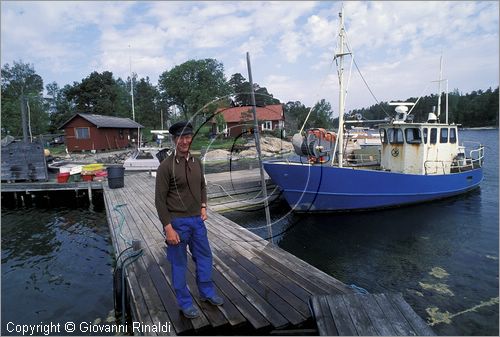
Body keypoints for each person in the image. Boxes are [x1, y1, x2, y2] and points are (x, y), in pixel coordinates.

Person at [154, 121, 223, 319]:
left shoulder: (195, 161)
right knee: (178, 264)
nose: (185, 141)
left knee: (204, 257)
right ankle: (185, 303)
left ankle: (207, 293)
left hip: (197, 221)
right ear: (174, 140)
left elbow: (202, 185)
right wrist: (167, 227)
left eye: (187, 137)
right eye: (180, 138)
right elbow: (159, 200)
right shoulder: (166, 167)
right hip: (177, 223)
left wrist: (203, 206)